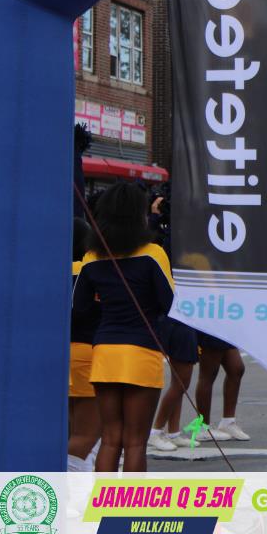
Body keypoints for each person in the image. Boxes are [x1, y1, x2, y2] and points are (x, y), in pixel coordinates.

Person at [73, 182, 173, 471]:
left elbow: (80, 307)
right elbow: (170, 304)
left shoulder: (92, 257)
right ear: (139, 215)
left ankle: (103, 500)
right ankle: (131, 502)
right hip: (142, 351)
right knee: (135, 442)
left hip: (104, 352)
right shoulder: (153, 253)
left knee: (109, 439)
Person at [69, 218, 101, 471]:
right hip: (88, 354)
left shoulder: (46, 269)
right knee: (86, 436)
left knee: (70, 431)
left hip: (59, 354)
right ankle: (68, 490)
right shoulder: (92, 270)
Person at [147, 318, 199, 451]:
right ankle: (156, 431)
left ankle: (173, 433)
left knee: (179, 383)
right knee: (181, 383)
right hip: (179, 323)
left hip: (179, 323)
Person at [194, 332, 250, 441]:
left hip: (224, 327)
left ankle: (227, 423)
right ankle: (202, 427)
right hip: (210, 328)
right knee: (208, 375)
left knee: (236, 368)